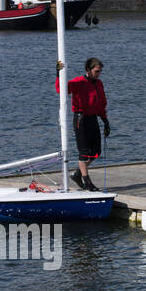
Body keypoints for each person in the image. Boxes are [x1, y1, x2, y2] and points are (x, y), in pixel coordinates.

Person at [55, 57, 110, 191]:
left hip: (93, 119)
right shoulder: (78, 82)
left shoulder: (99, 83)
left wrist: (105, 121)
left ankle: (78, 174)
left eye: (100, 71)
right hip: (81, 119)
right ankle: (87, 181)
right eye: (96, 71)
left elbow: (101, 104)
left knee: (96, 151)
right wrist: (58, 74)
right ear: (88, 70)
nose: (98, 74)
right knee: (84, 152)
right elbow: (61, 90)